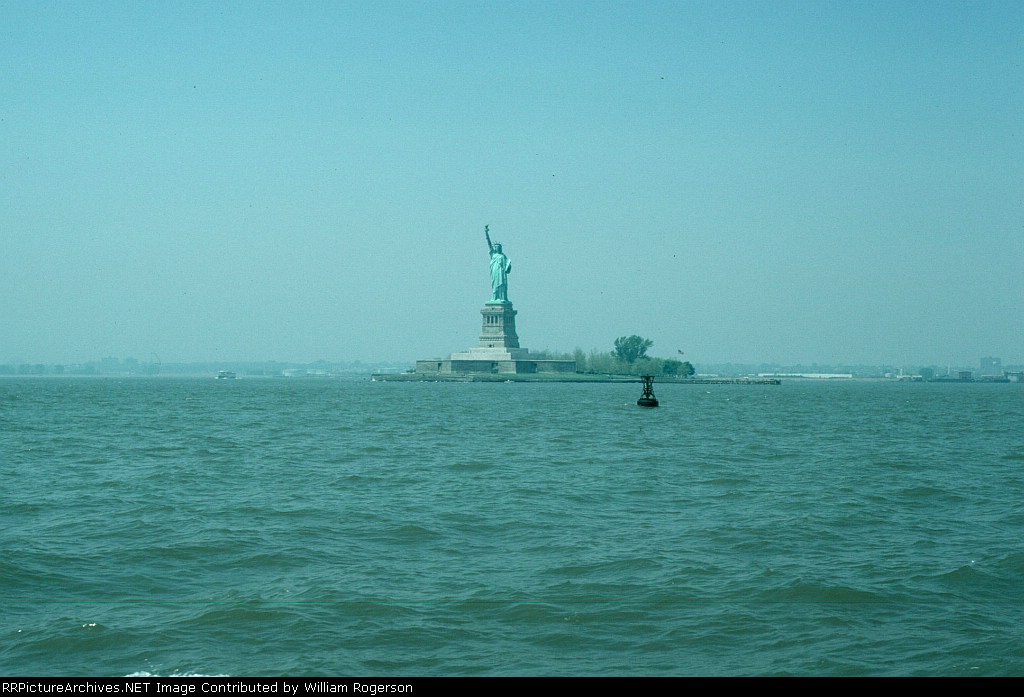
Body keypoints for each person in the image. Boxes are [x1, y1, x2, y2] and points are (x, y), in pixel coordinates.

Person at [485, 225, 511, 303]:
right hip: (495, 272)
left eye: (499, 247)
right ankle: (495, 298)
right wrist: (486, 233)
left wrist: (508, 266)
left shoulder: (503, 256)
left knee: (502, 285)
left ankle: (503, 298)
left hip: (502, 273)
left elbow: (508, 265)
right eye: (496, 247)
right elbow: (489, 244)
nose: (497, 248)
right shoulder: (493, 254)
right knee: (495, 285)